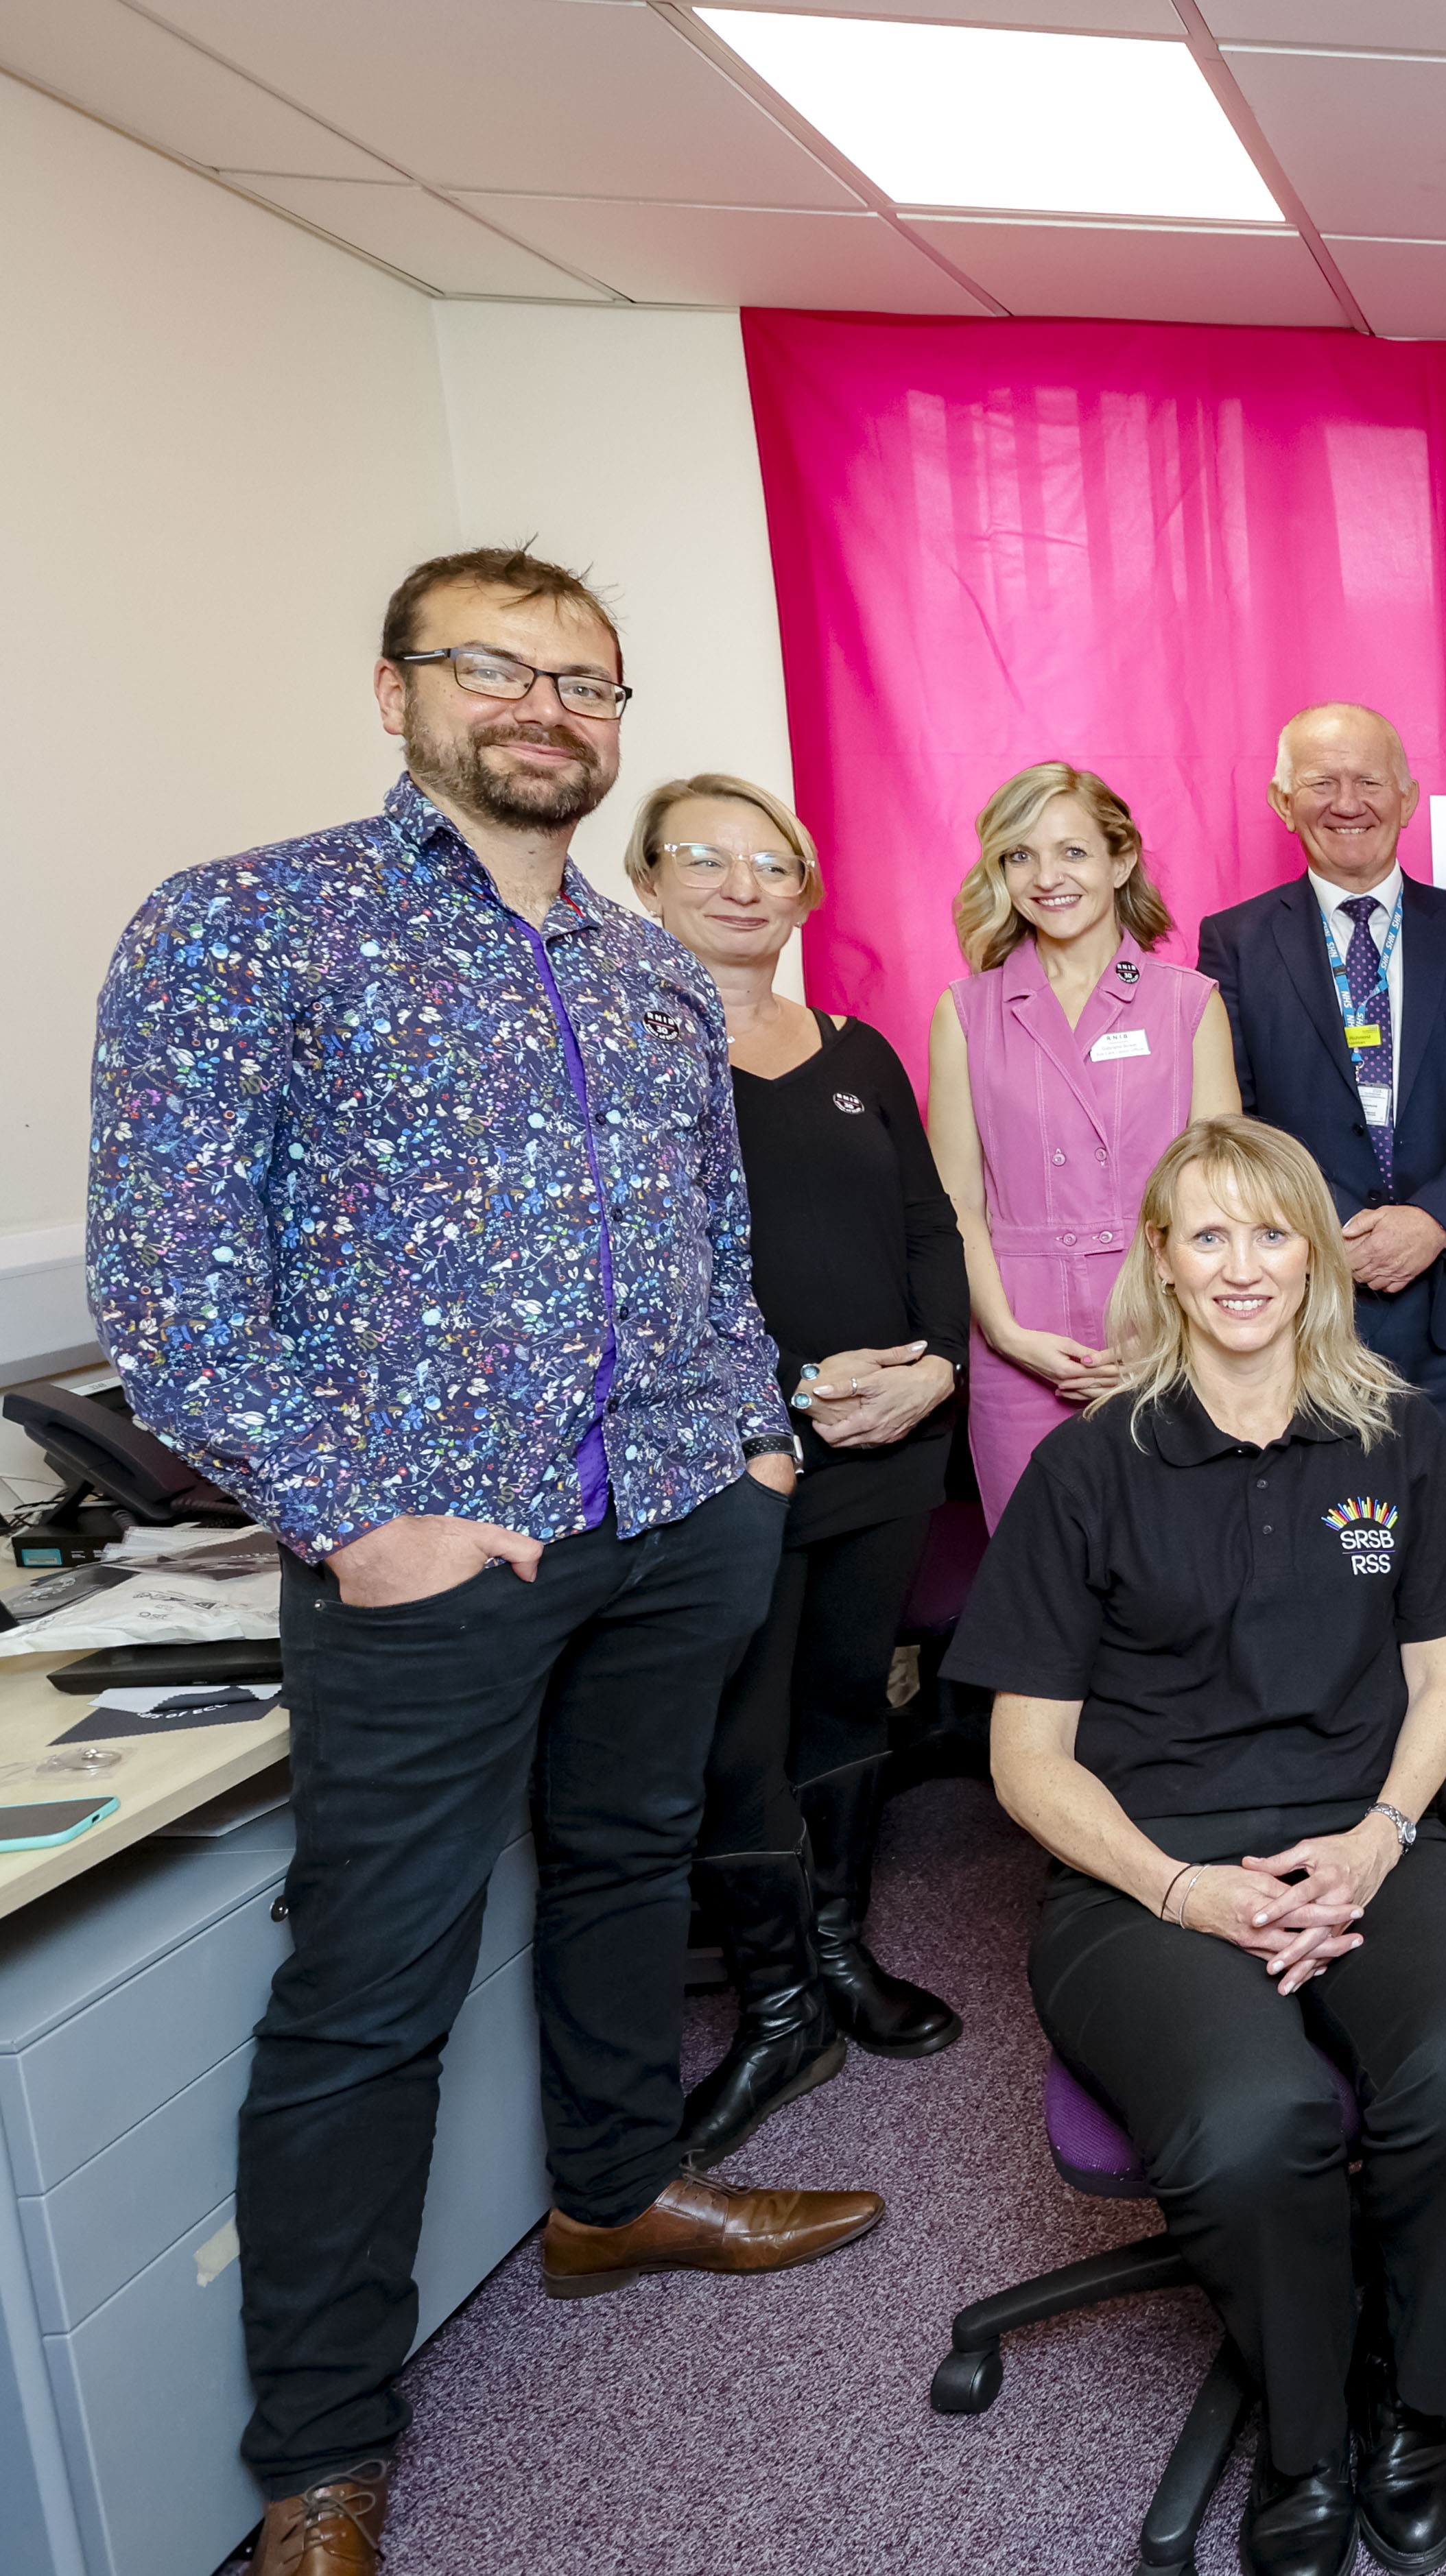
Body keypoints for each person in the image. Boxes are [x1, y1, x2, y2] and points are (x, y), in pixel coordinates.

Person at [84, 549, 882, 2576]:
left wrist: (756, 1439)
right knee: (372, 1989)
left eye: (587, 683)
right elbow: (168, 1290)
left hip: (680, 1517)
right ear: (395, 690)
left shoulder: (637, 969)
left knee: (629, 1867)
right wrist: (351, 1518)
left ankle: (617, 2193)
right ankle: (324, 2456)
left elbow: (705, 1232)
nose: (549, 711)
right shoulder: (244, 927)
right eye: (499, 670)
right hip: (436, 1556)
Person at [951, 1119, 1446, 2576]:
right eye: (1207, 1235)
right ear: (1161, 1261)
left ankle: (1417, 2398)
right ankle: (1309, 2430)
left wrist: (1384, 1838)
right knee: (1256, 2118)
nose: (1244, 1266)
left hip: (1365, 1838)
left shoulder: (1399, 1434)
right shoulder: (1091, 1468)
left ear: (1317, 1258)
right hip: (1144, 1870)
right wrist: (1182, 1890)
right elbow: (1023, 1760)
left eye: (1273, 1233)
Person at [625, 772, 971, 2164]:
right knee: (736, 1737)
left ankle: (837, 1958)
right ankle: (776, 2012)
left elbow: (930, 1226)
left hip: (887, 1446)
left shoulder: (858, 1050)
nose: (743, 885)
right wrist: (783, 1398)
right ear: (645, 880)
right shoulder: (620, 1053)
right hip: (729, 1461)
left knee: (846, 1702)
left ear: (806, 891)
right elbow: (620, 1285)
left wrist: (936, 1368)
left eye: (773, 864)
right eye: (706, 859)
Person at [1200, 703, 1446, 1859]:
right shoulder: (1231, 944)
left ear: (1407, 795)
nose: (1343, 802)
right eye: (1318, 783)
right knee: (1307, 1540)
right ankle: (1326, 1764)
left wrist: (1431, 1222)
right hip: (1305, 1301)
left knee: (1443, 1539)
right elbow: (1227, 1120)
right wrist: (1316, 1231)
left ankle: (1443, 1770)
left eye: (1366, 781)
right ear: (1279, 799)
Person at [924, 760, 1238, 1529]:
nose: (1046, 877)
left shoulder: (1189, 1002)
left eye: (1072, 851)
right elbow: (956, 1202)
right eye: (1019, 855)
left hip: (1170, 1327)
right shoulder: (966, 1011)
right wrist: (1002, 1334)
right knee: (1039, 1591)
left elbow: (1224, 1199)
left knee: (1176, 1579)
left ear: (1120, 859)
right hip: (1018, 1337)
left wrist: (1170, 1341)